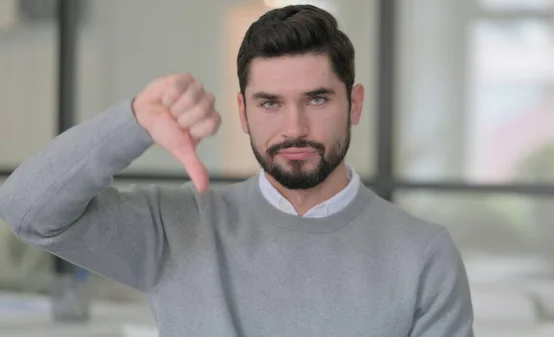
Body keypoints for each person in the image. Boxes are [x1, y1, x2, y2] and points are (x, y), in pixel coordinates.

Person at [0, 4, 473, 337]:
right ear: (244, 114)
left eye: (317, 99)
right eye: (270, 103)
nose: (295, 127)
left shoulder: (424, 255)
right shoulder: (178, 226)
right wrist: (134, 122)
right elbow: (27, 210)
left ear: (355, 103)